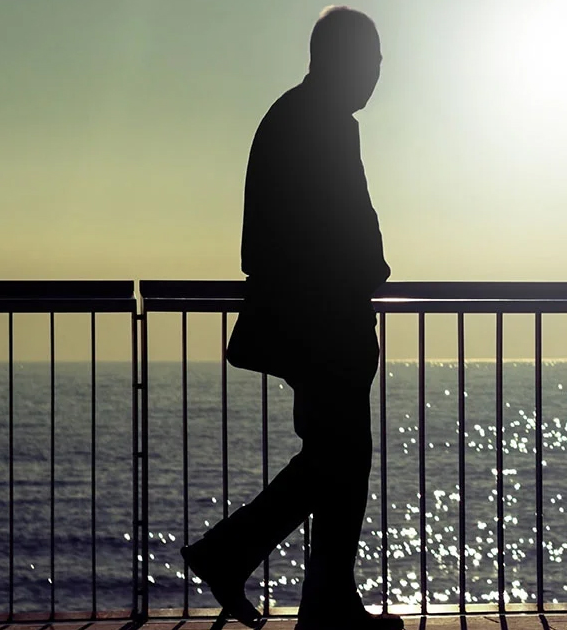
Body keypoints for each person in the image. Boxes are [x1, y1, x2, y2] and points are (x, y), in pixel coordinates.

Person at [180, 6, 401, 630]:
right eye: (372, 60)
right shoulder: (324, 124)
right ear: (343, 59)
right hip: (323, 326)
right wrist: (368, 269)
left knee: (334, 457)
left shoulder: (294, 115)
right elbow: (352, 230)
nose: (377, 73)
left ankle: (317, 596)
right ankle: (253, 564)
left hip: (311, 323)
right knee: (339, 458)